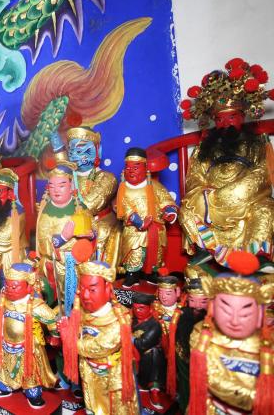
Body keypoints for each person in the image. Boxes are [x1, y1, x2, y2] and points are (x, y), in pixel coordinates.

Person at [178, 58, 274, 266]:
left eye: (231, 117)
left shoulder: (258, 142)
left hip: (246, 201)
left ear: (242, 116)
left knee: (265, 209)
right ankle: (207, 249)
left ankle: (255, 257)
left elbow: (263, 174)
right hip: (210, 203)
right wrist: (206, 195)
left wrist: (229, 194)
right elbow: (194, 178)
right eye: (219, 119)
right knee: (186, 211)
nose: (225, 124)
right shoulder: (204, 148)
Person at [188, 251, 274, 415]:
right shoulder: (203, 335)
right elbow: (211, 378)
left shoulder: (268, 343)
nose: (234, 320)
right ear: (212, 308)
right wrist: (259, 396)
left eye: (245, 313)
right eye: (226, 310)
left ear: (260, 315)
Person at [59, 260, 139, 415]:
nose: (85, 295)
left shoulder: (119, 320)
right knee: (92, 406)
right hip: (89, 373)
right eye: (82, 289)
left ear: (108, 289)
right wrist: (67, 329)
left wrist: (68, 339)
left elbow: (99, 347)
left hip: (111, 378)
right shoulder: (81, 313)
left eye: (92, 289)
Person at [0, 263, 59, 408]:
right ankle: (5, 385)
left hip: (28, 348)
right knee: (6, 366)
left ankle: (32, 390)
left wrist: (54, 335)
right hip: (7, 344)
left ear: (28, 287)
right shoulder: (5, 300)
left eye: (14, 287)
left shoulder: (36, 306)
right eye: (7, 286)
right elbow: (1, 313)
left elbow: (52, 319)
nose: (9, 289)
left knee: (30, 371)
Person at [51, 125, 120, 267]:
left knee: (99, 232)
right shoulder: (68, 177)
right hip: (69, 219)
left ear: (98, 150)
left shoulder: (107, 178)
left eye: (81, 150)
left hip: (97, 221)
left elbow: (89, 206)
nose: (75, 155)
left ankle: (96, 271)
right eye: (72, 151)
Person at [115, 147, 178, 287]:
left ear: (145, 168)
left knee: (155, 253)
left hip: (155, 227)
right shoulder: (123, 188)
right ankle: (132, 276)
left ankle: (152, 275)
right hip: (134, 230)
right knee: (135, 252)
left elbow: (166, 200)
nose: (131, 171)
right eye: (128, 168)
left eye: (135, 167)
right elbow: (122, 208)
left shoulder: (155, 186)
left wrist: (169, 212)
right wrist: (139, 222)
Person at [36, 163, 94, 315]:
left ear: (71, 186)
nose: (56, 190)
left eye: (61, 186)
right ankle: (62, 310)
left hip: (81, 259)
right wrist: (63, 238)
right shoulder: (46, 212)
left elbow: (95, 230)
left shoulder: (80, 207)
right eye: (52, 186)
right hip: (57, 261)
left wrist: (90, 235)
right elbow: (43, 242)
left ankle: (80, 310)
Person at [175, 266, 211, 411]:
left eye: (203, 301)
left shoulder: (213, 320)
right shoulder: (182, 314)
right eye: (192, 300)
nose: (197, 306)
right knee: (184, 385)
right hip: (183, 355)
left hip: (204, 363)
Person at [131, 291, 166, 409]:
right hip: (132, 353)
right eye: (135, 308)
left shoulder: (154, 325)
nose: (137, 311)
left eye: (141, 308)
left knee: (153, 353)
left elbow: (143, 344)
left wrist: (129, 337)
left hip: (147, 357)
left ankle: (153, 389)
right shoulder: (132, 320)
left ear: (150, 309)